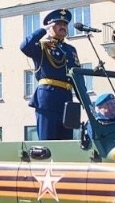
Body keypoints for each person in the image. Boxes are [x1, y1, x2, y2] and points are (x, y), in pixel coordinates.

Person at [20, 8, 80, 140]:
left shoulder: (70, 50)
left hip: (67, 99)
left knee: (67, 142)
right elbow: (24, 46)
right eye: (58, 24)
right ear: (50, 26)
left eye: (65, 24)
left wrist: (84, 100)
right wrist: (42, 30)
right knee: (48, 140)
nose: (63, 26)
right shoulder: (42, 46)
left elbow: (78, 77)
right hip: (48, 97)